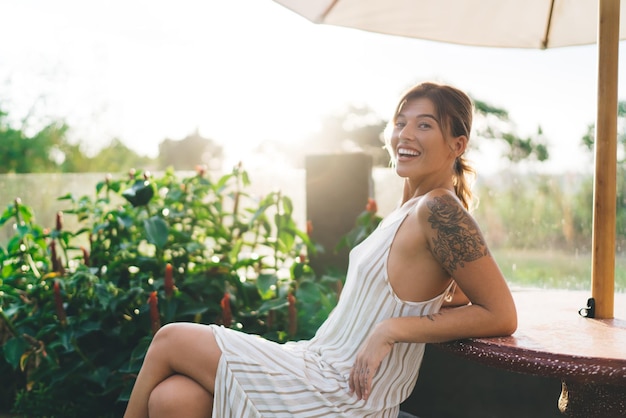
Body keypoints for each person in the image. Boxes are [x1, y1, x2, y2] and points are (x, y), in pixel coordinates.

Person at [123, 81, 517, 418]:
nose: (405, 134)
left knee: (170, 338)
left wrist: (393, 328)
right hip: (316, 363)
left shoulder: (440, 209)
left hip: (343, 392)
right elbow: (458, 292)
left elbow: (500, 313)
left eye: (424, 125)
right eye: (400, 123)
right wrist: (423, 305)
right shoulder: (410, 210)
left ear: (457, 144)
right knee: (172, 400)